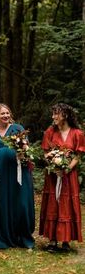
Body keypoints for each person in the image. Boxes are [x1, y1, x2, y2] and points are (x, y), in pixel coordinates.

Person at [0, 104, 35, 249]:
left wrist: (22, 153)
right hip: (0, 175)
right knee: (2, 203)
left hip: (19, 174)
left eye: (7, 113)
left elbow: (27, 149)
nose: (5, 116)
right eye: (2, 114)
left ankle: (22, 237)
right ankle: (1, 237)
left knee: (21, 204)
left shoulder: (18, 129)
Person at [39, 103, 85, 252]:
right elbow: (45, 153)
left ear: (65, 115)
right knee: (53, 203)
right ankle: (52, 240)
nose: (53, 117)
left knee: (67, 204)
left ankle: (65, 240)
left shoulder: (77, 133)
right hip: (53, 176)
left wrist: (66, 168)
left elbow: (78, 156)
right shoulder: (50, 132)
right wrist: (54, 167)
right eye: (52, 114)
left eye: (56, 114)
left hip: (69, 176)